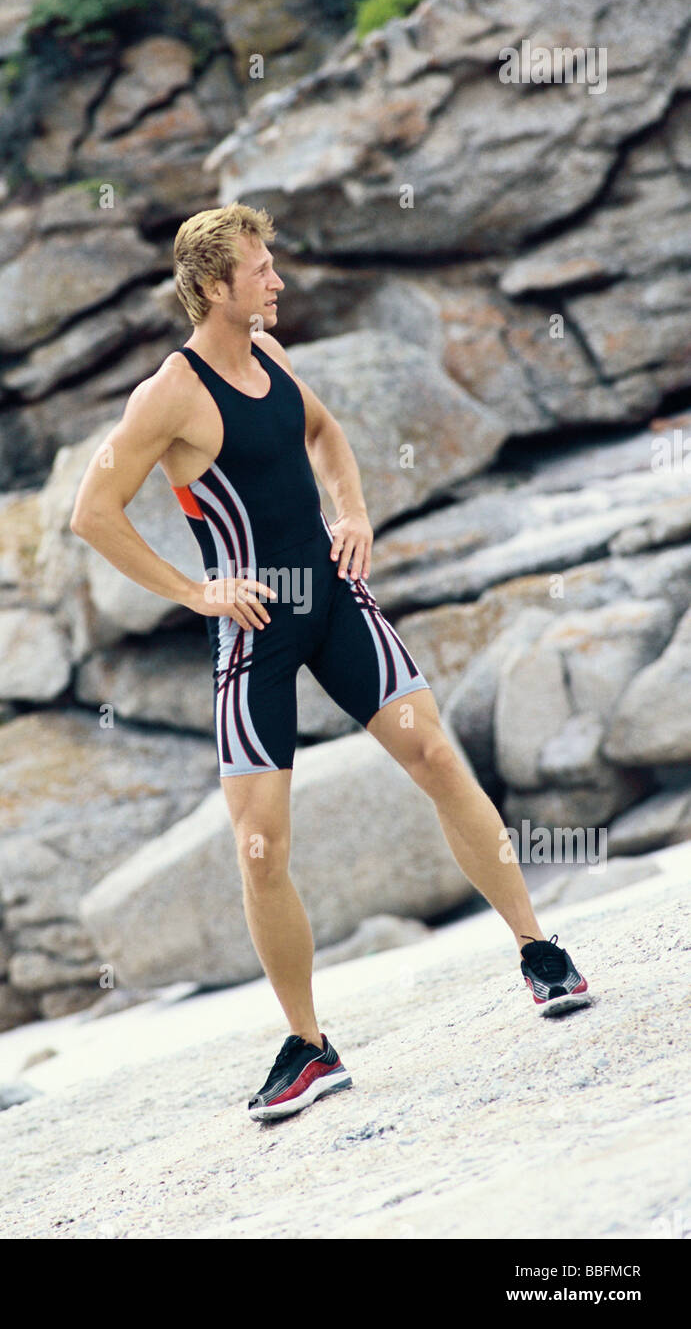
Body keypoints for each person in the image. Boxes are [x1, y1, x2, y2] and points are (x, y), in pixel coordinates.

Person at [70, 202, 592, 1123]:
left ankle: (537, 950)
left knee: (434, 756)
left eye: (271, 263)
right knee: (260, 844)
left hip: (332, 602)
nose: (276, 279)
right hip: (254, 630)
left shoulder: (269, 355)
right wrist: (197, 595)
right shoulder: (168, 395)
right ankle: (309, 1047)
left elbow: (326, 435)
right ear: (211, 285)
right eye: (259, 268)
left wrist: (351, 513)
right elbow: (93, 513)